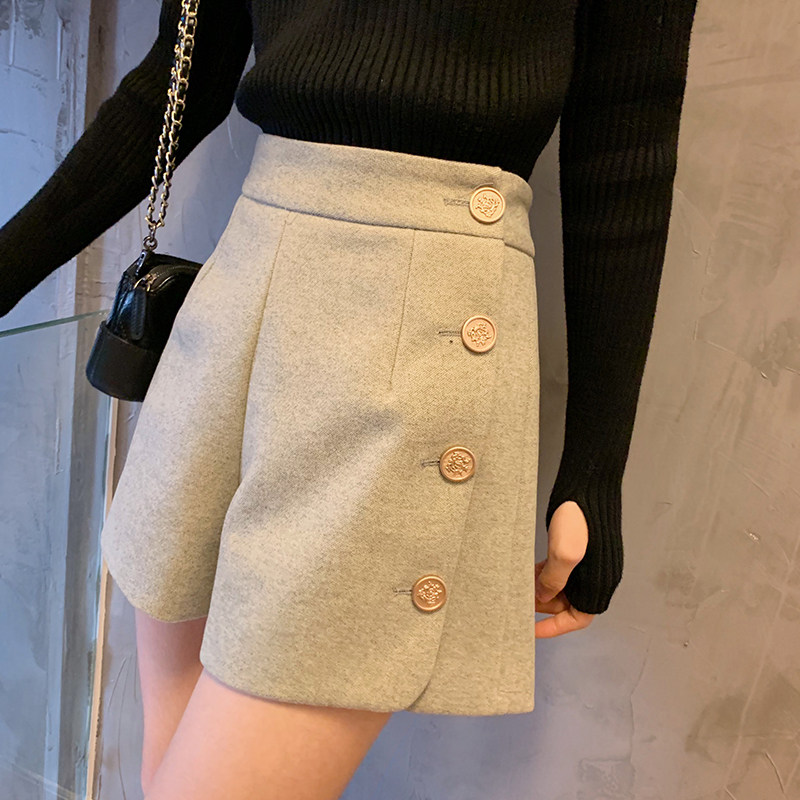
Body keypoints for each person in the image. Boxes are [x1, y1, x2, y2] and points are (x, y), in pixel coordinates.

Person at [0, 1, 699, 797]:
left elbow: (627, 134)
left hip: (419, 318)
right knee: (165, 771)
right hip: (244, 298)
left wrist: (597, 463)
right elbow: (179, 77)